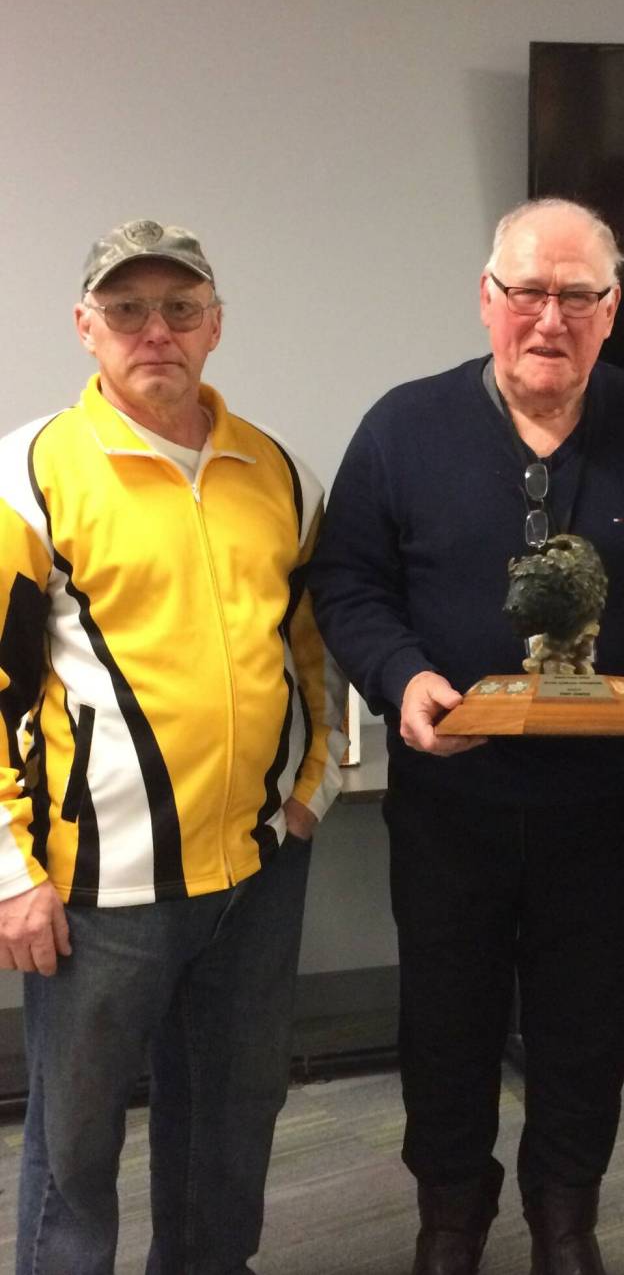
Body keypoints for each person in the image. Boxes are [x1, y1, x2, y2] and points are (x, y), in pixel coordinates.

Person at [308, 197, 624, 1274]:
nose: (551, 317)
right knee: (445, 1018)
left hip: (604, 803)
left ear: (611, 308)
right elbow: (348, 583)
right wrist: (403, 678)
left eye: (577, 295)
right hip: (452, 801)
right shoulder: (403, 427)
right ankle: (450, 1216)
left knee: (588, 1023)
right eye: (528, 291)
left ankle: (564, 1218)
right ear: (486, 299)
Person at [0, 218, 346, 1274]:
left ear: (215, 325)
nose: (156, 330)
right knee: (77, 1147)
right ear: (85, 326)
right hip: (101, 888)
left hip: (256, 870)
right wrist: (10, 871)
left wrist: (313, 789)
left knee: (232, 1123)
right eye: (127, 309)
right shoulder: (31, 473)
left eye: (180, 308)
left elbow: (311, 653)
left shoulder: (277, 471)